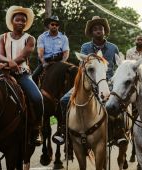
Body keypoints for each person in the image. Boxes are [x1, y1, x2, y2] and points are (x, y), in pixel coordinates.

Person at [52, 16, 127, 145]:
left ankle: (119, 132)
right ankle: (63, 130)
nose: (98, 31)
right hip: (88, 82)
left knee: (116, 103)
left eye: (101, 28)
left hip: (107, 82)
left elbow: (119, 67)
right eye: (95, 29)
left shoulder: (113, 48)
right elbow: (82, 66)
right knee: (64, 100)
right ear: (91, 32)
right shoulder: (85, 47)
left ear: (104, 31)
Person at [0, 6, 44, 146]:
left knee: (37, 98)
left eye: (23, 21)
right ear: (12, 21)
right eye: (17, 19)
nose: (21, 22)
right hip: (2, 73)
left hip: (22, 74)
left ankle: (36, 129)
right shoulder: (2, 37)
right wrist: (8, 63)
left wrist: (7, 64)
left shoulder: (30, 38)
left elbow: (23, 56)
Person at [32, 16, 69, 83]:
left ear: (58, 26)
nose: (54, 26)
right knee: (33, 76)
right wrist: (44, 63)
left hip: (59, 61)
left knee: (72, 75)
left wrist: (62, 63)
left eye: (56, 25)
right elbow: (40, 53)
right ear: (48, 25)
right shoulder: (42, 37)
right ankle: (34, 93)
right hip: (46, 61)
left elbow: (66, 53)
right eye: (52, 24)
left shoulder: (64, 38)